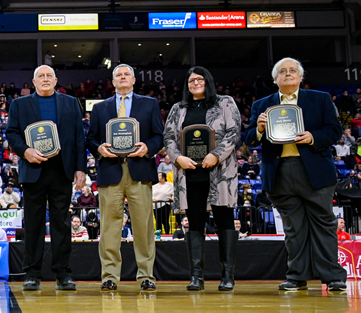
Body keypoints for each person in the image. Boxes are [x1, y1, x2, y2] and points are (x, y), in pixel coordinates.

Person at [243, 57, 347, 292]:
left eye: (292, 70)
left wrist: (313, 137)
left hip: (315, 170)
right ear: (275, 79)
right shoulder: (262, 105)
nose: (288, 74)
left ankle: (333, 277)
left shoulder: (320, 99)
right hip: (279, 172)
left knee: (324, 223)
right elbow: (248, 139)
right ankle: (296, 276)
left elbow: (334, 130)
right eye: (282, 71)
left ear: (301, 77)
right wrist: (258, 129)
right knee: (293, 228)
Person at [6, 65, 86, 291]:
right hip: (33, 169)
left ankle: (63, 273)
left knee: (62, 223)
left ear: (56, 80)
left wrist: (81, 168)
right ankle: (32, 273)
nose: (45, 79)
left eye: (49, 75)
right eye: (40, 76)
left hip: (62, 170)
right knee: (33, 224)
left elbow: (79, 137)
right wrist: (24, 151)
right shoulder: (19, 104)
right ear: (33, 81)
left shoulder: (70, 102)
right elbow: (11, 133)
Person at [86, 64, 163, 292]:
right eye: (118, 75)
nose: (122, 77)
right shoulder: (100, 108)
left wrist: (147, 148)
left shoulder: (149, 104)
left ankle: (146, 276)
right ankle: (109, 276)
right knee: (109, 227)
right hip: (111, 171)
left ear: (133, 80)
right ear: (113, 81)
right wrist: (99, 149)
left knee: (143, 227)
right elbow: (91, 139)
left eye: (126, 74)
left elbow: (158, 136)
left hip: (140, 170)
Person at [163, 66, 241, 291]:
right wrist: (177, 158)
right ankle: (196, 276)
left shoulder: (225, 102)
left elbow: (234, 132)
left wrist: (215, 155)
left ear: (208, 81)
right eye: (191, 81)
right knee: (195, 223)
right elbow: (169, 137)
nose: (195, 83)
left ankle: (227, 276)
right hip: (189, 174)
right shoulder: (178, 108)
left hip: (220, 171)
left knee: (225, 220)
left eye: (200, 79)